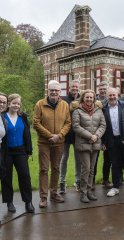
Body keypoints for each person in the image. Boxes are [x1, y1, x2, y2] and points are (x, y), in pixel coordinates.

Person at [33, 80, 71, 208]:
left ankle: (54, 194)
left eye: (56, 90)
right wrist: (50, 136)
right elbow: (36, 123)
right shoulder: (40, 104)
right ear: (47, 91)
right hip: (44, 143)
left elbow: (68, 123)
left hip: (59, 143)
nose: (54, 92)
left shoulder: (65, 105)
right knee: (44, 169)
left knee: (56, 168)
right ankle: (43, 197)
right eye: (51, 90)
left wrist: (59, 136)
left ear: (60, 91)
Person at [1, 94, 34, 213]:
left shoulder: (23, 116)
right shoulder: (2, 116)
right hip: (6, 152)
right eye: (14, 103)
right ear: (8, 103)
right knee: (6, 177)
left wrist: (29, 151)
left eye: (18, 103)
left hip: (21, 151)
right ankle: (9, 202)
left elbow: (28, 135)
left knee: (25, 176)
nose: (16, 105)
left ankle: (28, 202)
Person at [72, 89, 106, 203]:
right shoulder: (77, 111)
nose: (89, 99)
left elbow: (103, 125)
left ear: (94, 99)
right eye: (87, 97)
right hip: (83, 144)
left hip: (95, 143)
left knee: (92, 169)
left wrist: (96, 136)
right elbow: (76, 126)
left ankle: (89, 190)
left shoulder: (98, 111)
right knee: (85, 168)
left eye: (91, 97)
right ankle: (83, 192)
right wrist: (90, 136)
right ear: (83, 98)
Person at [59, 80, 81, 194]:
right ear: (69, 87)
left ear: (79, 87)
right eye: (73, 87)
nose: (75, 89)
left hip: (78, 135)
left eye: (76, 87)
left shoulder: (82, 99)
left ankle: (78, 181)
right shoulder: (63, 99)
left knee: (79, 160)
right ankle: (62, 183)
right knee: (64, 159)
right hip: (66, 135)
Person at [94, 81, 111, 188]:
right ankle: (92, 180)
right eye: (101, 89)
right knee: (94, 159)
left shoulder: (111, 101)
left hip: (108, 134)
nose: (103, 91)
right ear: (98, 90)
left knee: (108, 159)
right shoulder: (93, 100)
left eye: (105, 89)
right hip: (96, 133)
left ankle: (105, 179)